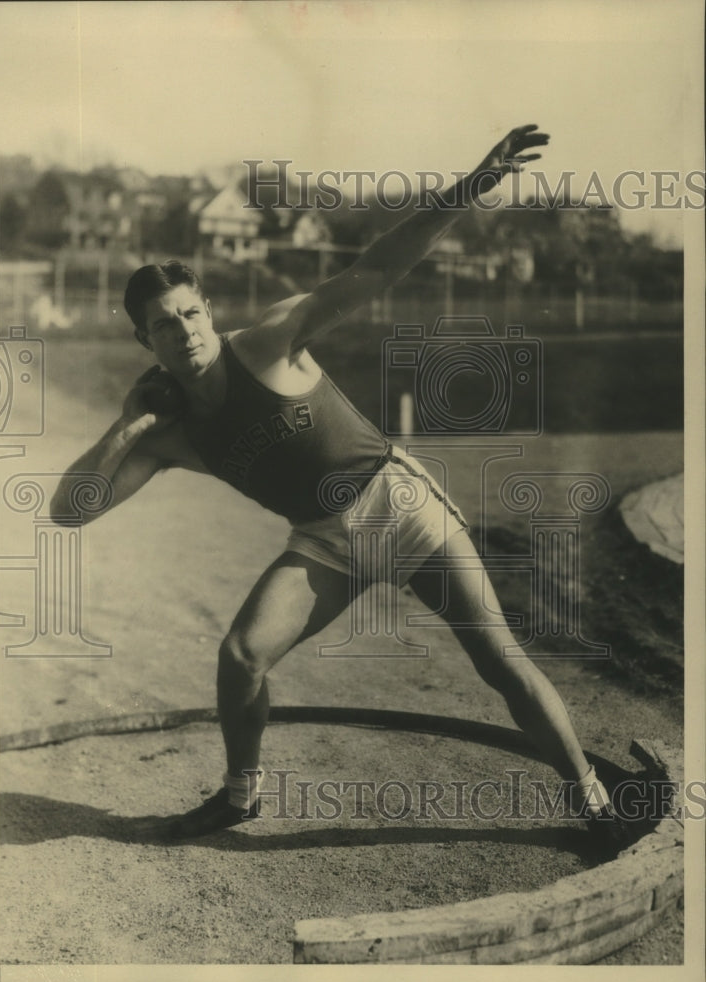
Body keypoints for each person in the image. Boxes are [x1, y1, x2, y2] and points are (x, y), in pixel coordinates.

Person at [51, 126, 626, 850]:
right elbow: (68, 513)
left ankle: (593, 798)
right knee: (240, 657)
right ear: (145, 342)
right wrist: (126, 425)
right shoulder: (169, 434)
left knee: (499, 661)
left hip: (397, 506)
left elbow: (377, 267)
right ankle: (241, 795)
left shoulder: (270, 340)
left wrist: (472, 186)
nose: (184, 332)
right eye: (164, 326)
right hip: (324, 542)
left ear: (210, 312)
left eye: (191, 314)